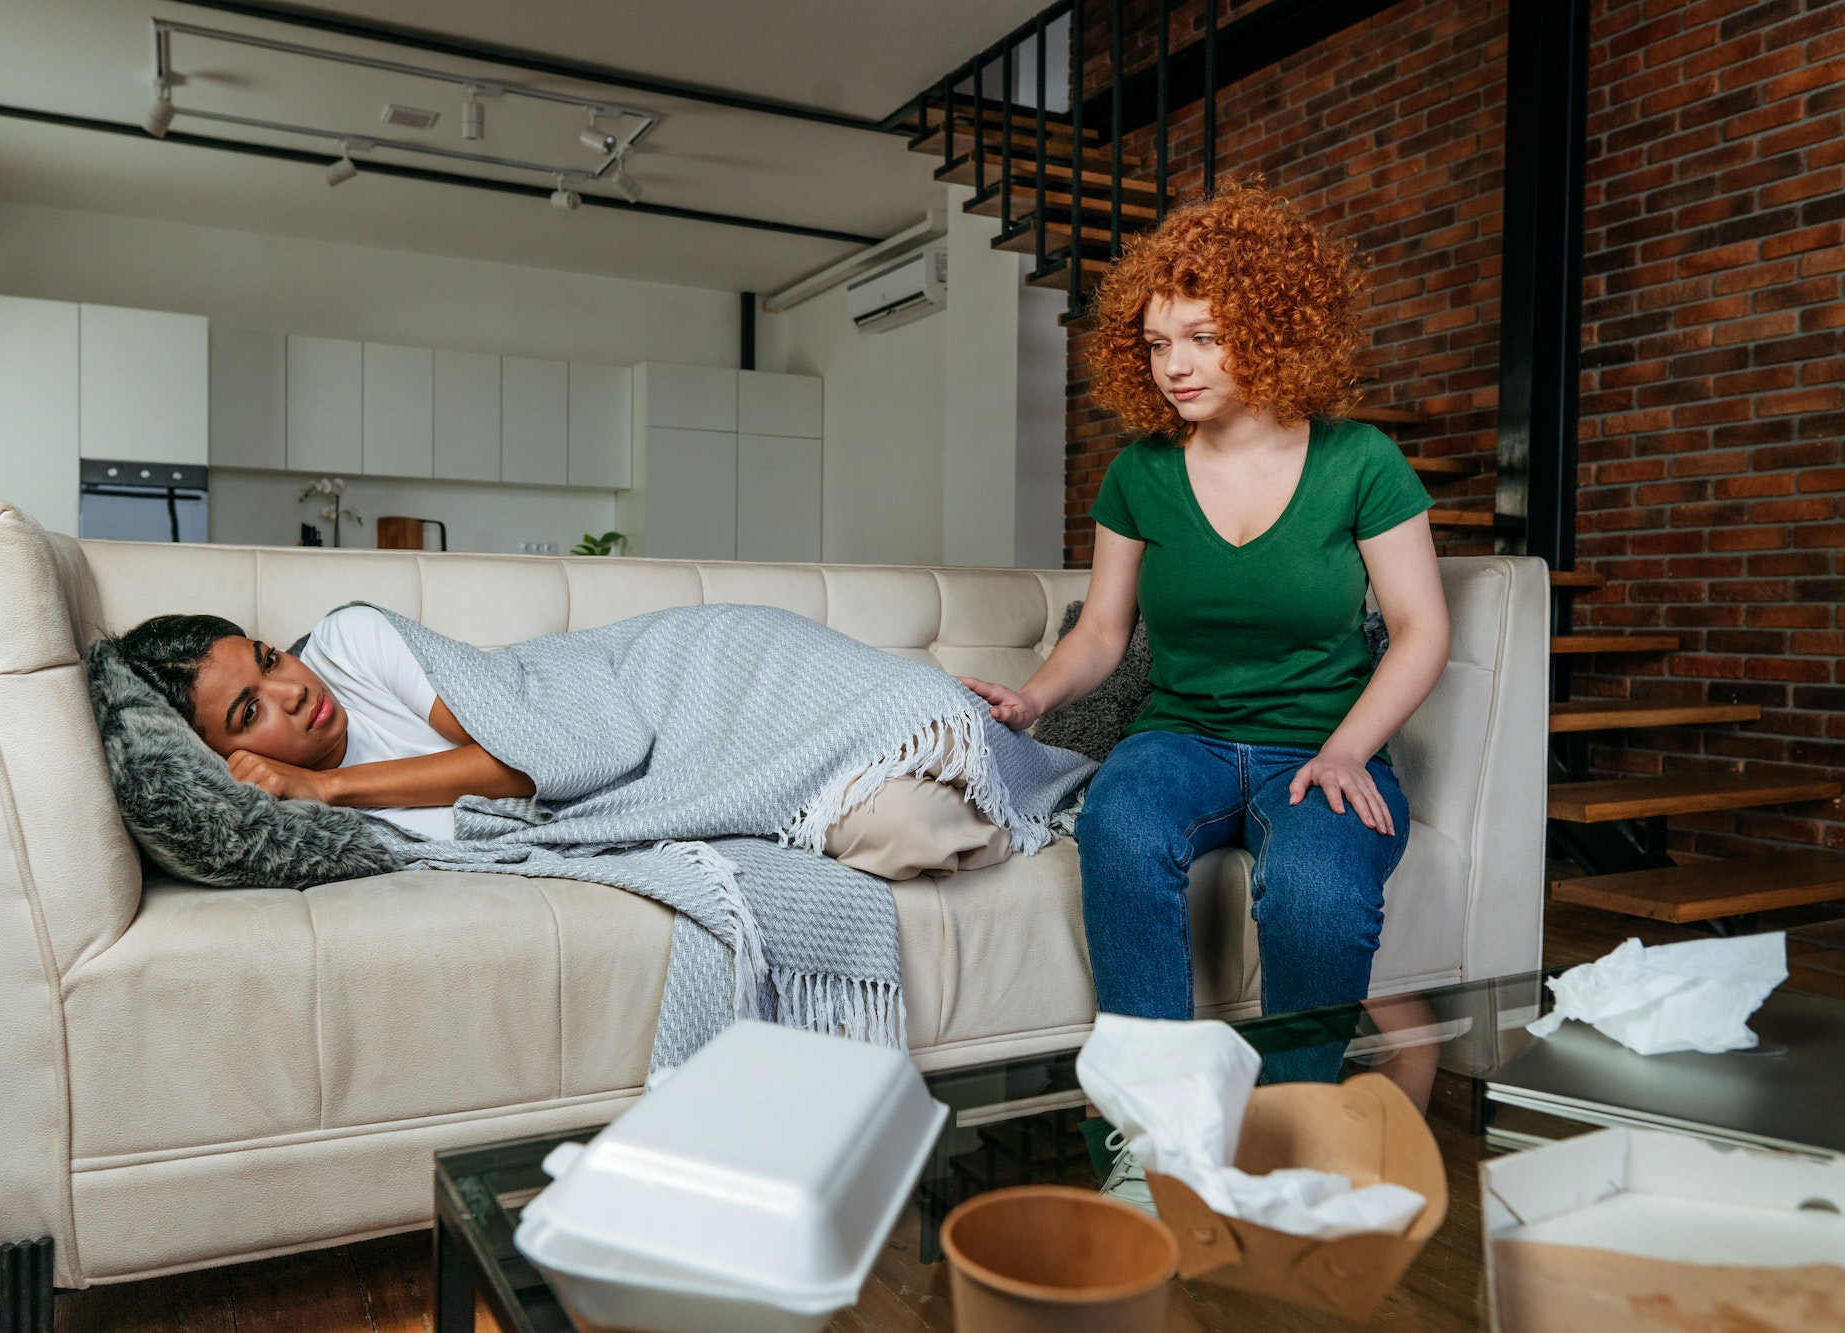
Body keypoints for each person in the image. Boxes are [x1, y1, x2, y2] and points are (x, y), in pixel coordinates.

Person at [960, 184, 1450, 1078]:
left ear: (1268, 331)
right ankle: (1152, 1126)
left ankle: (1294, 1121)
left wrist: (1346, 752)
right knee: (1117, 823)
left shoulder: (1361, 461)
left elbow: (1421, 629)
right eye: (1155, 344)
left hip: (1320, 743)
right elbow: (1104, 632)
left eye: (1202, 337)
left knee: (1316, 892)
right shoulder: (1140, 474)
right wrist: (1032, 697)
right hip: (1178, 737)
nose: (1173, 366)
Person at [113, 604, 1014, 877]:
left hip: (673, 671)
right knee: (918, 827)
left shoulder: (348, 645)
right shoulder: (331, 834)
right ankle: (961, 754)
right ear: (234, 760)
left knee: (923, 722)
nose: (291, 690)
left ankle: (954, 728)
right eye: (250, 712)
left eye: (268, 660)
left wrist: (332, 786)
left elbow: (525, 759)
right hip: (681, 764)